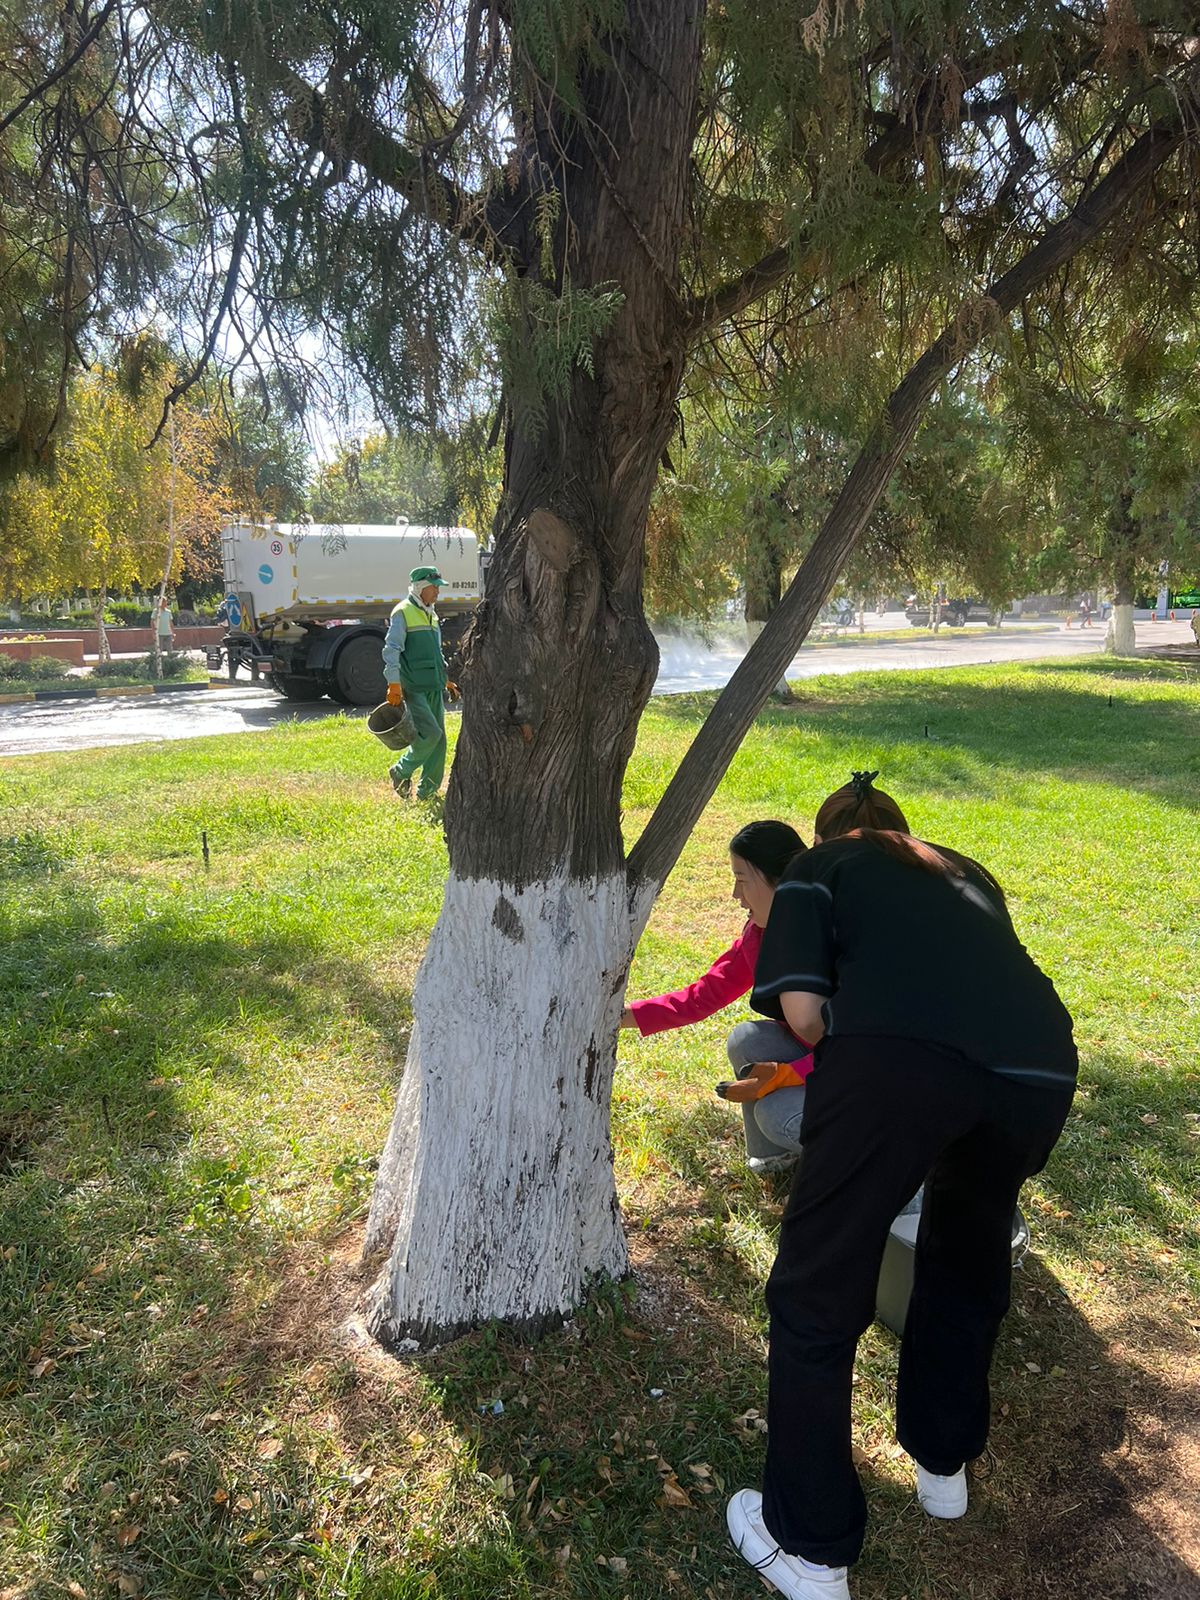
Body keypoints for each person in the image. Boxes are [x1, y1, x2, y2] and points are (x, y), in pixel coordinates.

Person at [726, 772, 1077, 1600]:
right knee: (966, 1255)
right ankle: (942, 1464)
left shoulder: (818, 868)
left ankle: (809, 1548)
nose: (743, 896)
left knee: (815, 1292)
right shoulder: (960, 868)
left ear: (826, 834)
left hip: (899, 1065)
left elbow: (805, 1015)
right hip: (1038, 1071)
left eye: (743, 886)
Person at [621, 820, 812, 1172]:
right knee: (747, 1039)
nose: (734, 896)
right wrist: (623, 1017)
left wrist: (790, 1073)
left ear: (782, 879)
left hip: (868, 1074)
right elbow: (704, 994)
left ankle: (892, 1173)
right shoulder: (759, 935)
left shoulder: (830, 938)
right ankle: (776, 1160)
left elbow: (861, 1046)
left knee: (774, 1113)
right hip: (823, 1060)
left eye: (742, 880)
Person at [381, 565, 459, 803]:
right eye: (434, 588)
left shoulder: (432, 614)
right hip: (414, 687)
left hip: (434, 685)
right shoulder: (402, 612)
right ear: (420, 588)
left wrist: (446, 680)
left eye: (438, 588)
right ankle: (401, 771)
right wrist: (394, 683)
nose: (437, 592)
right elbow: (391, 649)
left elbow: (436, 652)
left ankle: (427, 792)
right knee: (431, 734)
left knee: (440, 741)